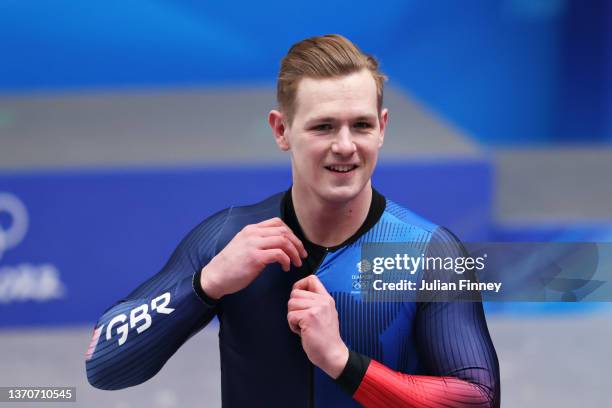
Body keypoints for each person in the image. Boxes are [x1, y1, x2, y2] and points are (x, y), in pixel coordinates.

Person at [86, 34, 500, 407]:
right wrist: (205, 285)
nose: (345, 146)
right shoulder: (226, 240)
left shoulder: (427, 251)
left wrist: (342, 363)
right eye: (323, 127)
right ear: (281, 130)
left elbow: (478, 400)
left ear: (382, 128)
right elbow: (103, 364)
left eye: (361, 125)